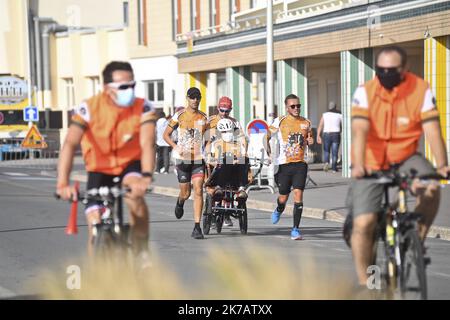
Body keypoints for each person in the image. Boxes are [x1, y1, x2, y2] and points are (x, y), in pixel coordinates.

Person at [347, 46, 450, 287]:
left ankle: (416, 241)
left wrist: (443, 164)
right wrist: (359, 165)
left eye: (391, 70)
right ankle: (368, 283)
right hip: (370, 160)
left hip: (405, 157)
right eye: (380, 69)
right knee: (364, 224)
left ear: (404, 69)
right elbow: (360, 130)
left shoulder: (420, 89)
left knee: (432, 188)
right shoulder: (365, 91)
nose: (385, 74)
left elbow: (432, 129)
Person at [56, 61, 156, 265]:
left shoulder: (142, 106)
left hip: (130, 164)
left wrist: (146, 176)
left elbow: (147, 143)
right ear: (107, 89)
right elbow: (69, 143)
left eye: (132, 85)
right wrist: (63, 184)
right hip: (99, 169)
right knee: (95, 223)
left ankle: (142, 250)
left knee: (134, 196)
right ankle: (98, 279)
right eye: (123, 87)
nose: (129, 91)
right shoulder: (89, 108)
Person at [163, 87, 208, 239]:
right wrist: (175, 146)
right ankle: (180, 201)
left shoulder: (203, 117)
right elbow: (166, 135)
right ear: (187, 98)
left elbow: (208, 138)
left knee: (198, 190)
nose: (195, 100)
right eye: (192, 97)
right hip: (183, 160)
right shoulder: (179, 115)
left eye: (197, 97)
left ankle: (197, 227)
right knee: (186, 193)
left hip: (197, 159)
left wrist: (208, 151)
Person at [268, 94, 314, 240]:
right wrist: (268, 151)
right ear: (287, 107)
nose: (296, 108)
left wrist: (310, 140)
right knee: (283, 197)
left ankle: (295, 229)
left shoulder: (306, 122)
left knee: (298, 194)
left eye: (298, 106)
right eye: (293, 106)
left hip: (300, 164)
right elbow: (267, 135)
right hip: (284, 164)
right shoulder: (280, 121)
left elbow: (308, 139)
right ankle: (279, 209)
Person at [205, 96, 247, 227]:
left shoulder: (235, 123)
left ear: (230, 110)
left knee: (238, 163)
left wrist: (243, 153)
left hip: (231, 154)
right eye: (222, 110)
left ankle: (227, 214)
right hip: (214, 153)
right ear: (218, 108)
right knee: (211, 186)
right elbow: (204, 140)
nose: (224, 114)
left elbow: (242, 139)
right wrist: (207, 155)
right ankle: (211, 215)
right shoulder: (210, 121)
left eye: (227, 111)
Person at [316, 101, 342, 173]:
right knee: (335, 152)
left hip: (326, 134)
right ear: (335, 107)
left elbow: (320, 125)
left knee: (326, 151)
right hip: (336, 134)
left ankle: (326, 162)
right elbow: (343, 124)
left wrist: (318, 135)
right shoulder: (339, 115)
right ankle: (334, 168)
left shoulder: (325, 115)